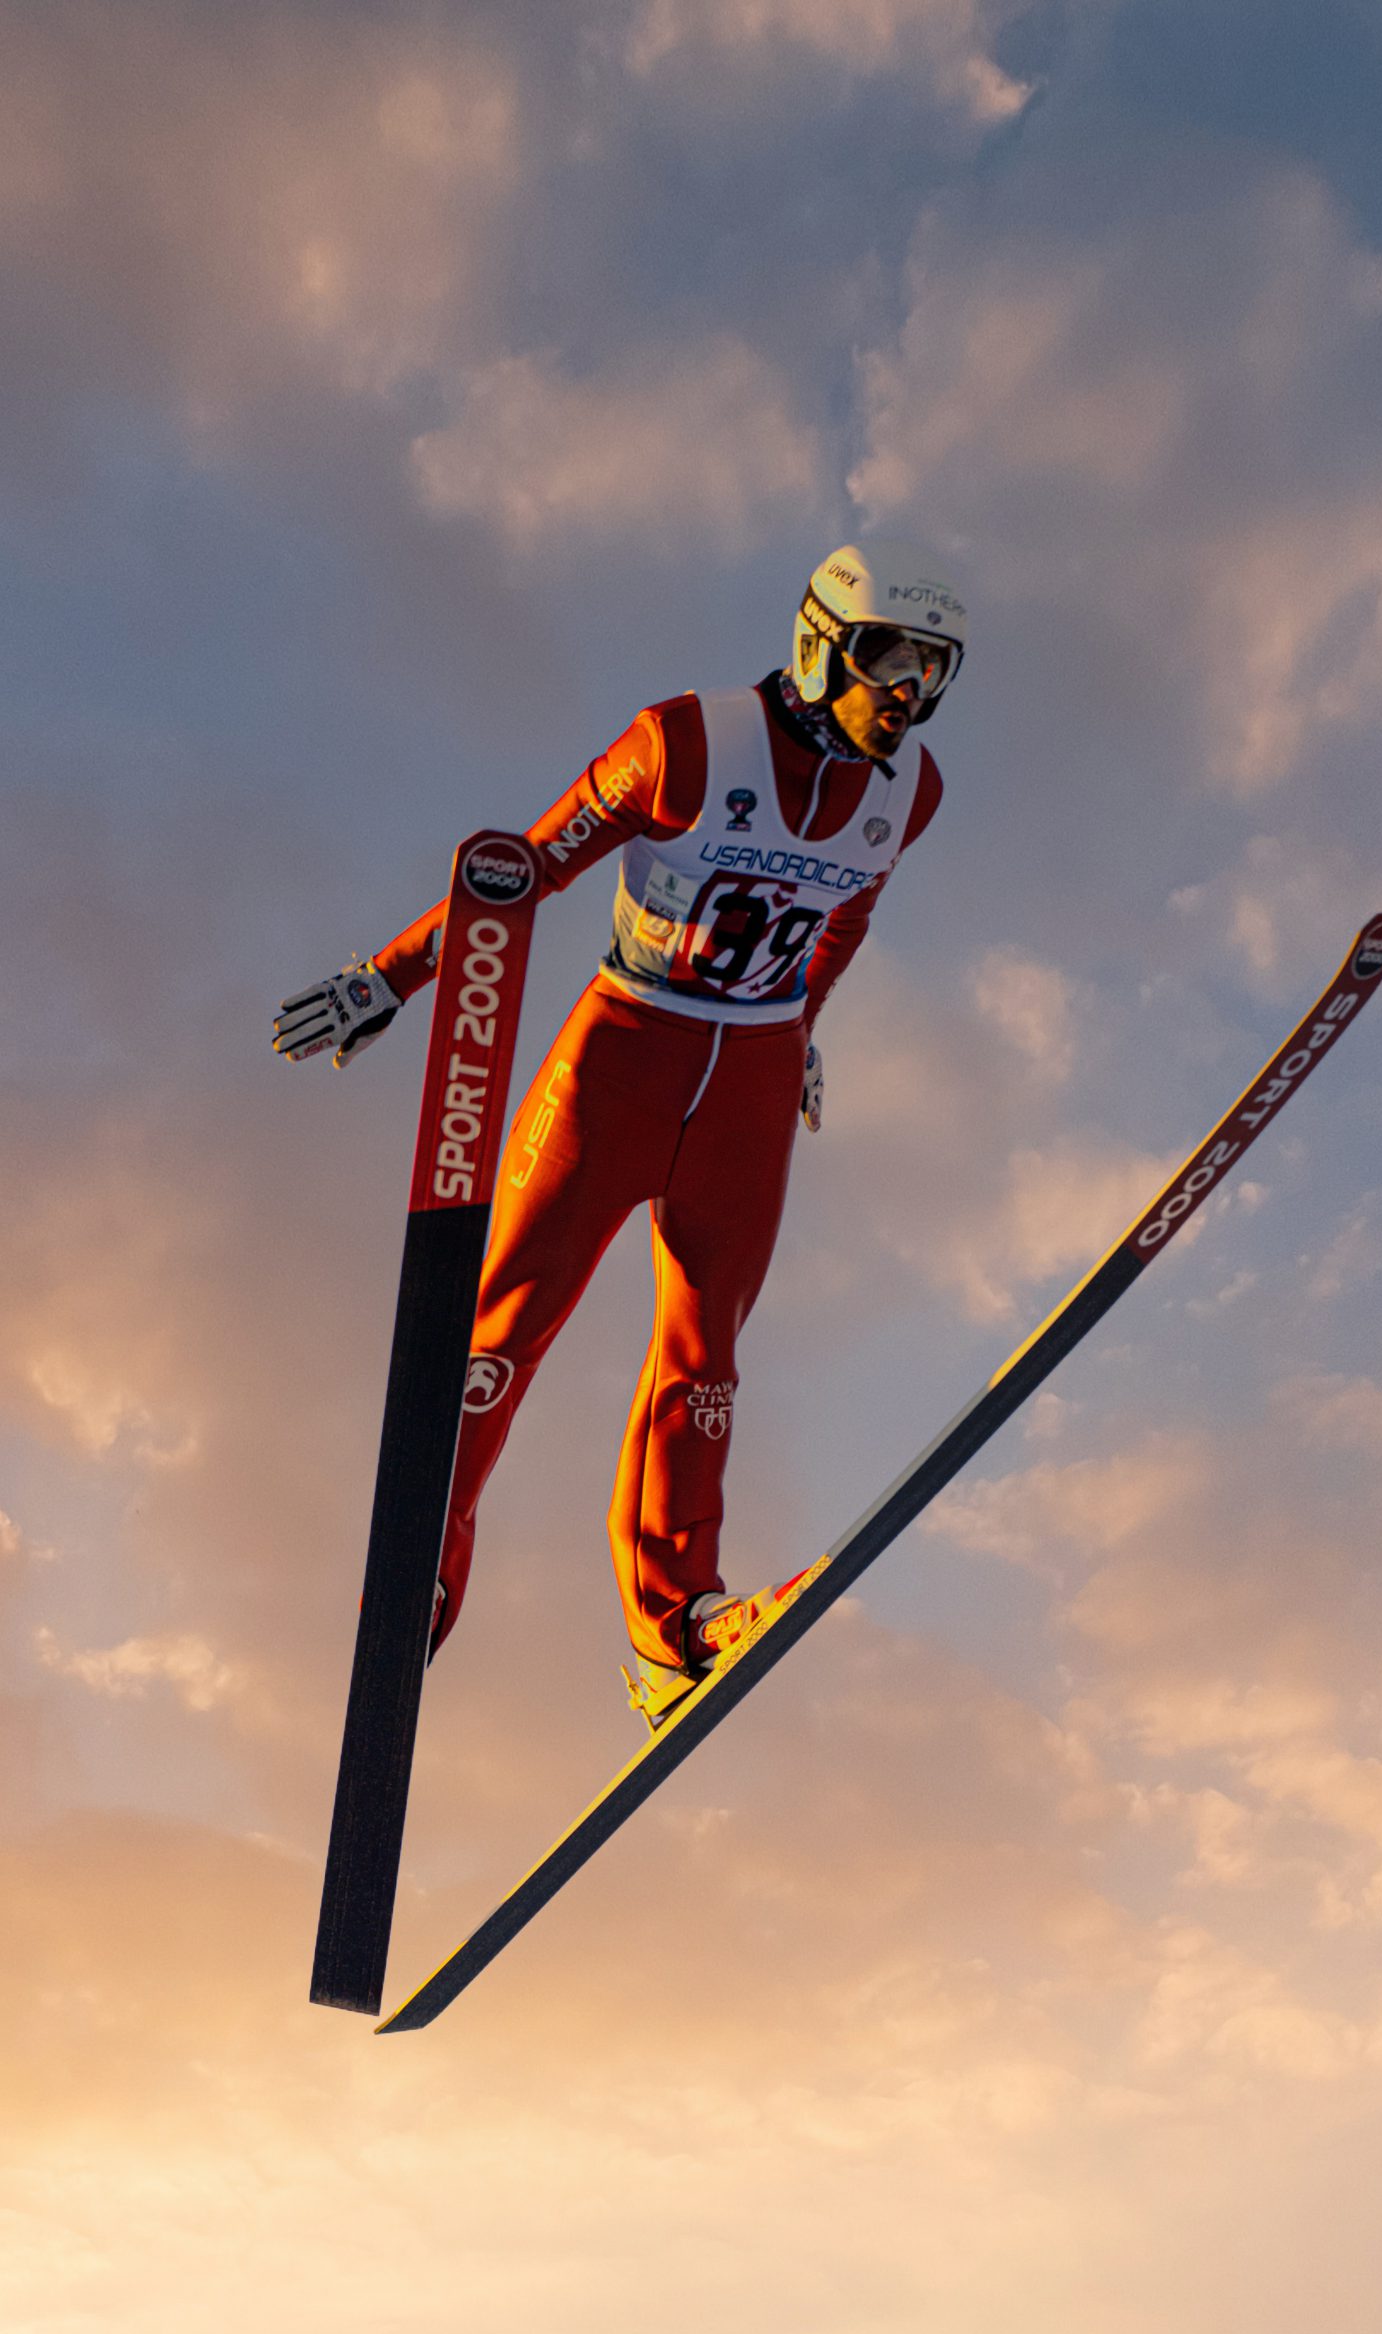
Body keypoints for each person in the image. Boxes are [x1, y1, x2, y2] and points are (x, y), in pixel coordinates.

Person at [274, 538, 965, 1713]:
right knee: (502, 1328)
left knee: (706, 1358)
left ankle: (675, 1628)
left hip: (747, 1075)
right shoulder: (686, 740)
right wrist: (391, 978)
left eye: (934, 669)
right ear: (819, 641)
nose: (908, 690)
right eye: (886, 655)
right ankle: (414, 1591)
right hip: (625, 1052)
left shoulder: (915, 790)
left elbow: (843, 920)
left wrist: (800, 1031)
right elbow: (527, 869)